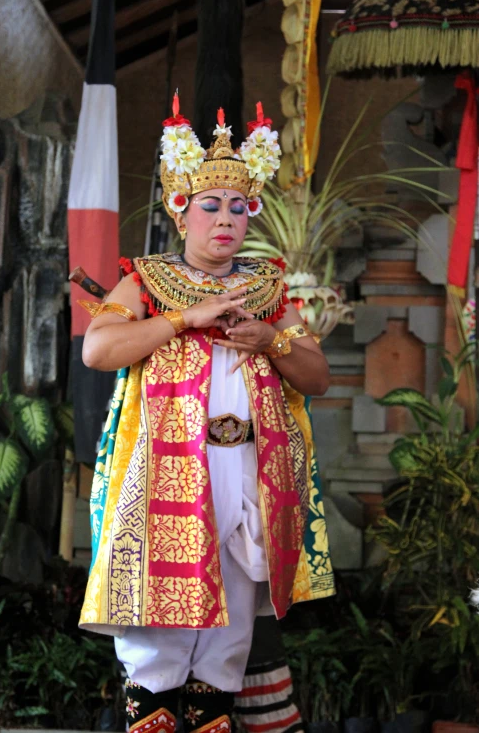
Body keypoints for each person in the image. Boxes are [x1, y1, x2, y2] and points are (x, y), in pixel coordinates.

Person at [77, 96, 335, 733]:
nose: (226, 219)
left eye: (239, 207)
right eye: (211, 205)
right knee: (159, 633)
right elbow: (99, 350)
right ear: (179, 209)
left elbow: (317, 376)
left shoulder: (269, 289)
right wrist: (180, 320)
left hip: (248, 470)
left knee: (229, 637)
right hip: (166, 470)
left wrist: (270, 341)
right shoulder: (147, 280)